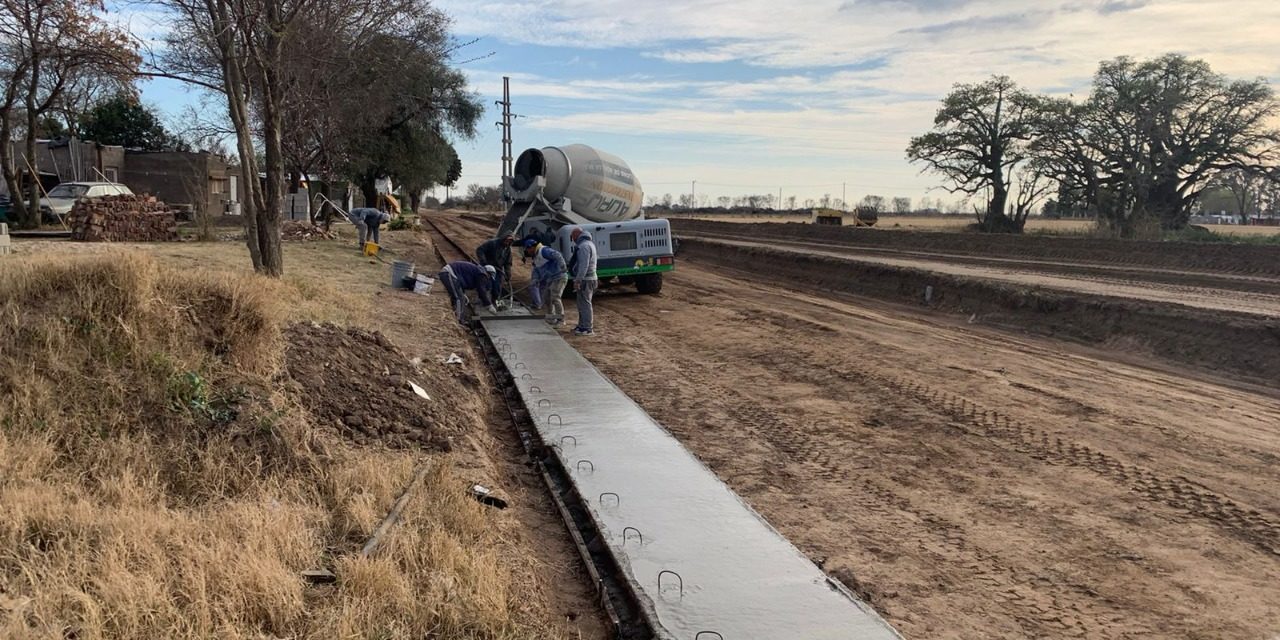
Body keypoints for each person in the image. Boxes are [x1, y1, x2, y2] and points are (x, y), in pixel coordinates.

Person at [436, 261, 497, 325]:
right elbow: (481, 290)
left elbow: (462, 281)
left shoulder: (478, 271)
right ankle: (458, 321)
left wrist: (463, 294)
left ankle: (455, 316)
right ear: (488, 273)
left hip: (450, 274)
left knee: (461, 298)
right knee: (459, 298)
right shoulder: (482, 274)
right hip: (449, 273)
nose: (488, 279)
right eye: (489, 277)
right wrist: (489, 305)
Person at [523, 239, 568, 325]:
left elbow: (557, 255)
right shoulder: (536, 257)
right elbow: (536, 270)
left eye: (527, 249)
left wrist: (563, 266)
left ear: (531, 247)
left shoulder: (543, 250)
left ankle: (560, 320)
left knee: (555, 297)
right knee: (547, 297)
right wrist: (535, 280)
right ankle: (551, 318)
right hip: (550, 279)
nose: (527, 252)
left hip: (559, 276)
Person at [569, 227, 598, 336]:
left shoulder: (584, 246)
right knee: (581, 304)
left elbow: (583, 265)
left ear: (577, 235)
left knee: (585, 304)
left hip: (586, 279)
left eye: (572, 237)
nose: (573, 240)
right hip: (588, 278)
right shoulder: (588, 244)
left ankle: (587, 328)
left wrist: (578, 280)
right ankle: (582, 326)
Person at [475, 233, 515, 301]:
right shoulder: (492, 243)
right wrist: (484, 262)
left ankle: (495, 300)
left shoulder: (508, 250)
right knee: (487, 284)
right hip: (488, 268)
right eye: (507, 240)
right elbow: (480, 250)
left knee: (497, 287)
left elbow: (507, 263)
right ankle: (483, 300)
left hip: (498, 270)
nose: (508, 243)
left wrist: (508, 274)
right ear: (503, 238)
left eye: (510, 242)